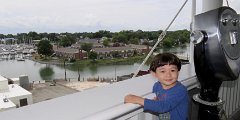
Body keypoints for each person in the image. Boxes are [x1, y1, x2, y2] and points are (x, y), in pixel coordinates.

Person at [124, 53, 188, 120]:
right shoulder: (157, 86)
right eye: (163, 71)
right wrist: (156, 101)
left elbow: (163, 107)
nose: (168, 75)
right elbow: (158, 101)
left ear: (178, 72)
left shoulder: (180, 90)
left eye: (172, 70)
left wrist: (136, 99)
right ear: (154, 74)